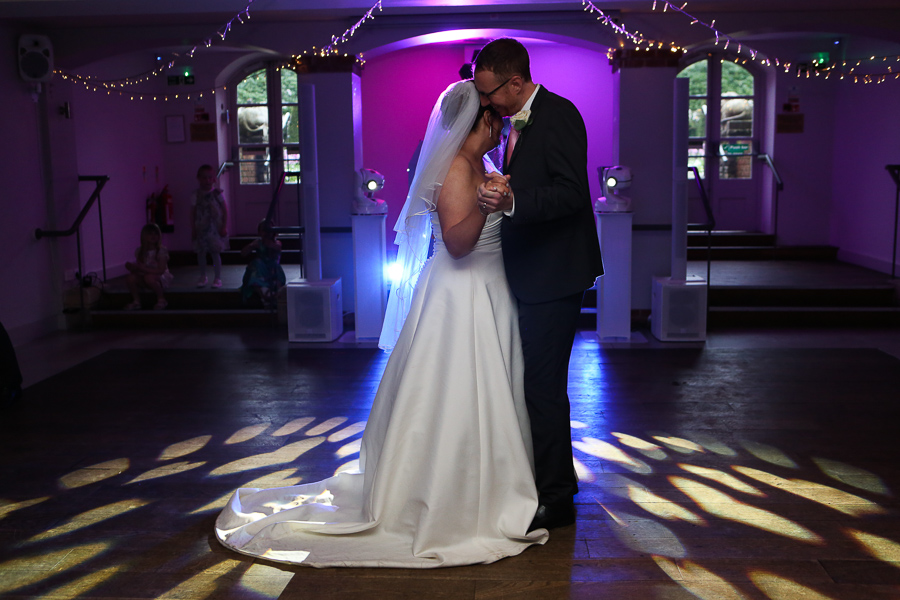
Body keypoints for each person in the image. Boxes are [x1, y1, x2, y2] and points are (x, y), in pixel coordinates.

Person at [215, 80, 548, 567]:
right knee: (457, 392)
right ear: (478, 120)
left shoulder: (488, 164)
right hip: (463, 292)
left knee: (492, 389)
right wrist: (484, 203)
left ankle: (494, 486)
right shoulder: (457, 166)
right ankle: (449, 499)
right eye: (493, 114)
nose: (500, 119)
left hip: (492, 287)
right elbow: (457, 244)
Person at [474, 38, 604, 532]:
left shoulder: (559, 114)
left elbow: (572, 195)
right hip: (528, 273)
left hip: (555, 275)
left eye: (491, 94)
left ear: (515, 81)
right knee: (529, 383)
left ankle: (558, 498)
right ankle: (537, 480)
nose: (487, 103)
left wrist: (511, 204)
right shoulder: (514, 122)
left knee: (542, 387)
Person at [191, 164, 228, 288]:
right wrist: (193, 228)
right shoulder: (195, 195)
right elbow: (192, 212)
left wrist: (224, 226)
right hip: (201, 228)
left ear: (213, 179)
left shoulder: (217, 193)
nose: (207, 181)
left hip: (215, 229)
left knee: (215, 252)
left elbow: (224, 210)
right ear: (199, 178)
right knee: (201, 253)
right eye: (204, 178)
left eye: (209, 178)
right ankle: (203, 276)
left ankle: (217, 278)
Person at [124, 223, 174, 310]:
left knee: (149, 277)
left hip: (160, 276)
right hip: (146, 274)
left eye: (156, 233)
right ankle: (137, 301)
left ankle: (161, 299)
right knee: (130, 278)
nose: (153, 236)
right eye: (150, 233)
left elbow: (161, 270)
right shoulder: (140, 251)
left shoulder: (161, 251)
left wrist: (144, 269)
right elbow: (141, 267)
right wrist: (133, 268)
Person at [240, 219, 286, 309]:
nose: (267, 232)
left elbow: (274, 247)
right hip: (260, 269)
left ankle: (271, 295)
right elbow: (243, 253)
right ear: (259, 232)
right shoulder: (257, 242)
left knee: (275, 270)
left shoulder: (277, 243)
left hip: (272, 270)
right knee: (256, 263)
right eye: (264, 230)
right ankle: (264, 294)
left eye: (269, 229)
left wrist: (265, 243)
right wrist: (251, 246)